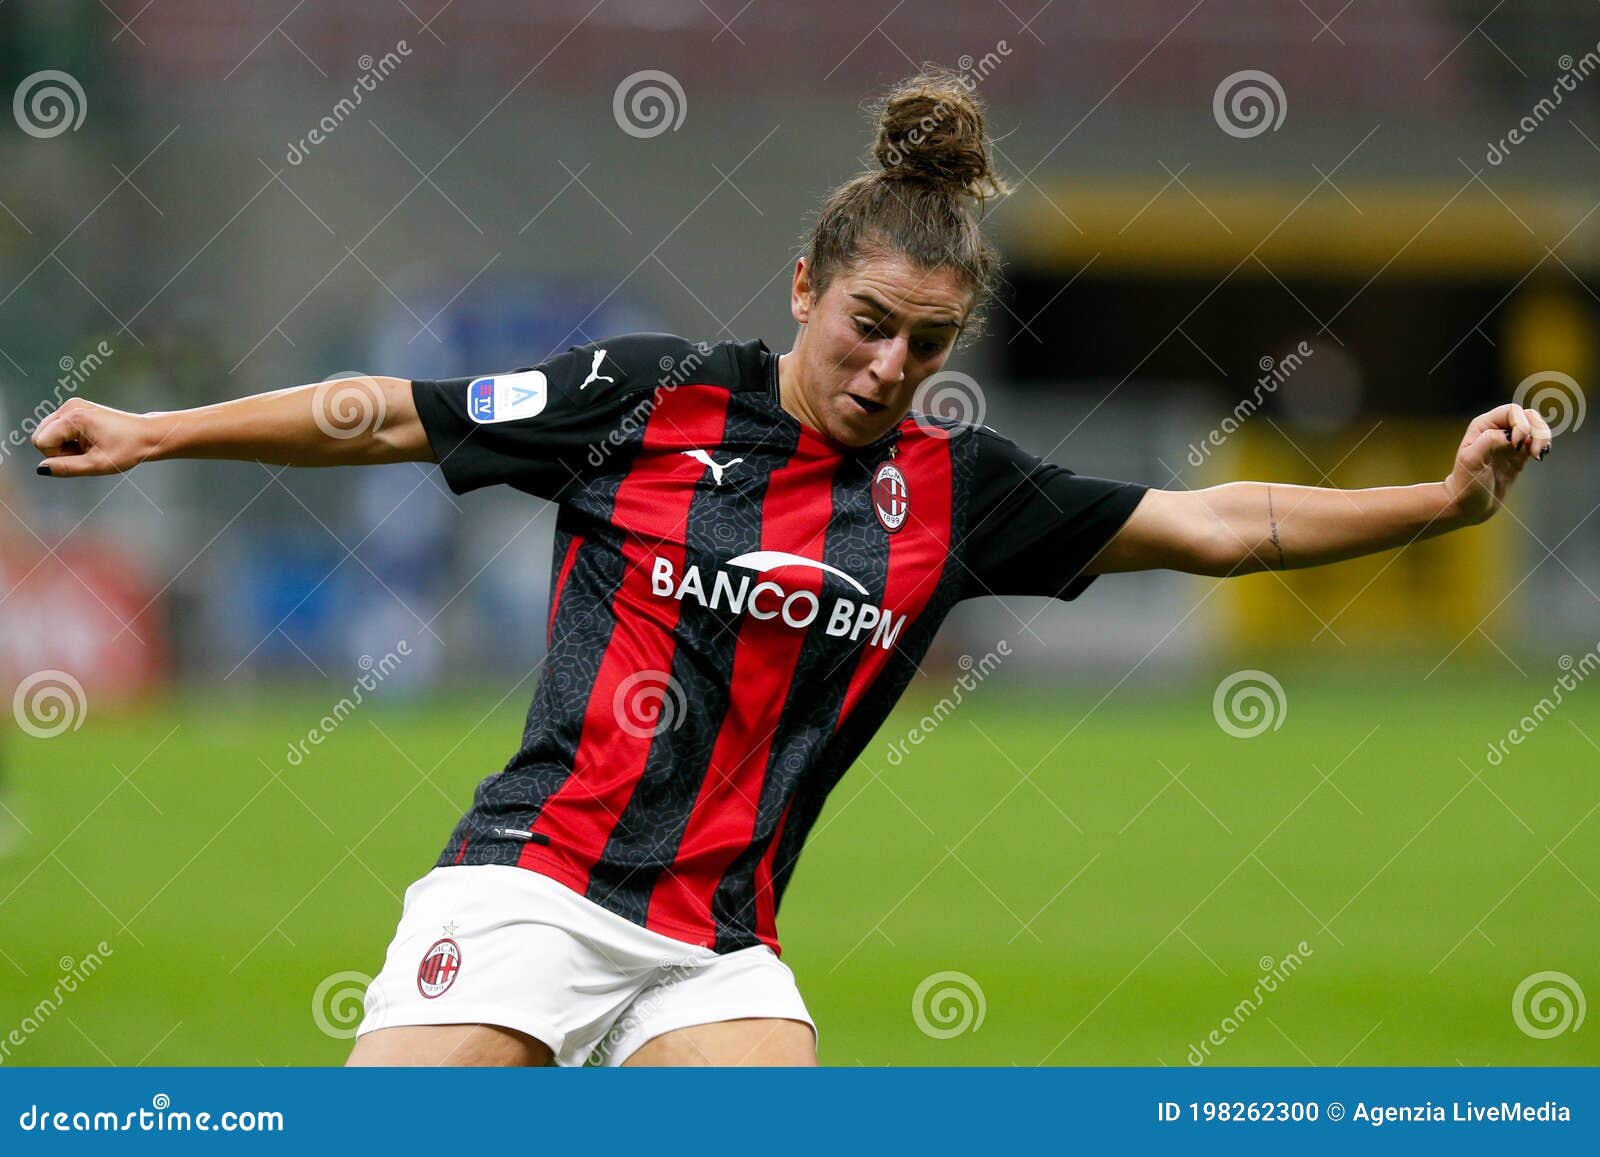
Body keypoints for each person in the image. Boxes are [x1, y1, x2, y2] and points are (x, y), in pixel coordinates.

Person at [29, 68, 1553, 1068]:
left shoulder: (961, 491)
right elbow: (389, 419)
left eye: (930, 344)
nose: (893, 364)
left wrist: (1448, 500)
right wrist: (156, 429)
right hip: (536, 887)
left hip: (722, 949)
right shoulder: (648, 396)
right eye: (870, 323)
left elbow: (1216, 526)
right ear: (808, 285)